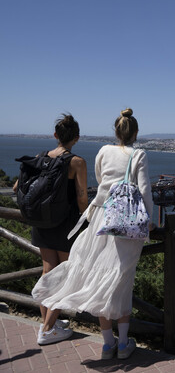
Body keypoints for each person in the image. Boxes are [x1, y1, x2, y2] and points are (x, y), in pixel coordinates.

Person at [32, 108, 155, 360]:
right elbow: (144, 193)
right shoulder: (139, 154)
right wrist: (149, 222)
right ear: (136, 133)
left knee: (99, 277)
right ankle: (123, 346)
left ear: (116, 131)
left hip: (100, 216)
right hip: (126, 221)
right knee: (121, 280)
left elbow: (101, 181)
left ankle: (108, 343)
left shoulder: (103, 151)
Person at [14, 114, 88, 345]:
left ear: (55, 135)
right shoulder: (77, 162)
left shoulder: (40, 157)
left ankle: (48, 323)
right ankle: (47, 330)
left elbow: (17, 187)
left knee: (48, 273)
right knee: (63, 276)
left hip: (42, 223)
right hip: (66, 225)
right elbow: (82, 198)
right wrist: (89, 218)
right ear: (76, 138)